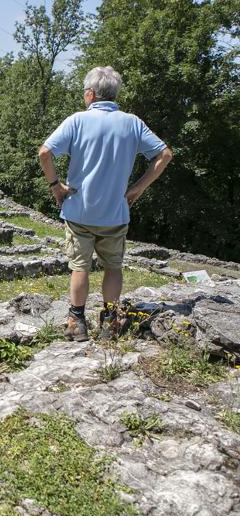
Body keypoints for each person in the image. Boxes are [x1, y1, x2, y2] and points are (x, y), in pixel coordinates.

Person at [38, 66, 172, 341]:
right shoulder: (132, 122)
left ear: (90, 94)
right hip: (115, 212)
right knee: (113, 267)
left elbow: (45, 153)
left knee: (80, 266)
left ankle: (77, 321)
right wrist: (137, 188)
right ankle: (110, 321)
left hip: (79, 210)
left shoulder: (77, 121)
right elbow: (165, 155)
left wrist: (56, 186)